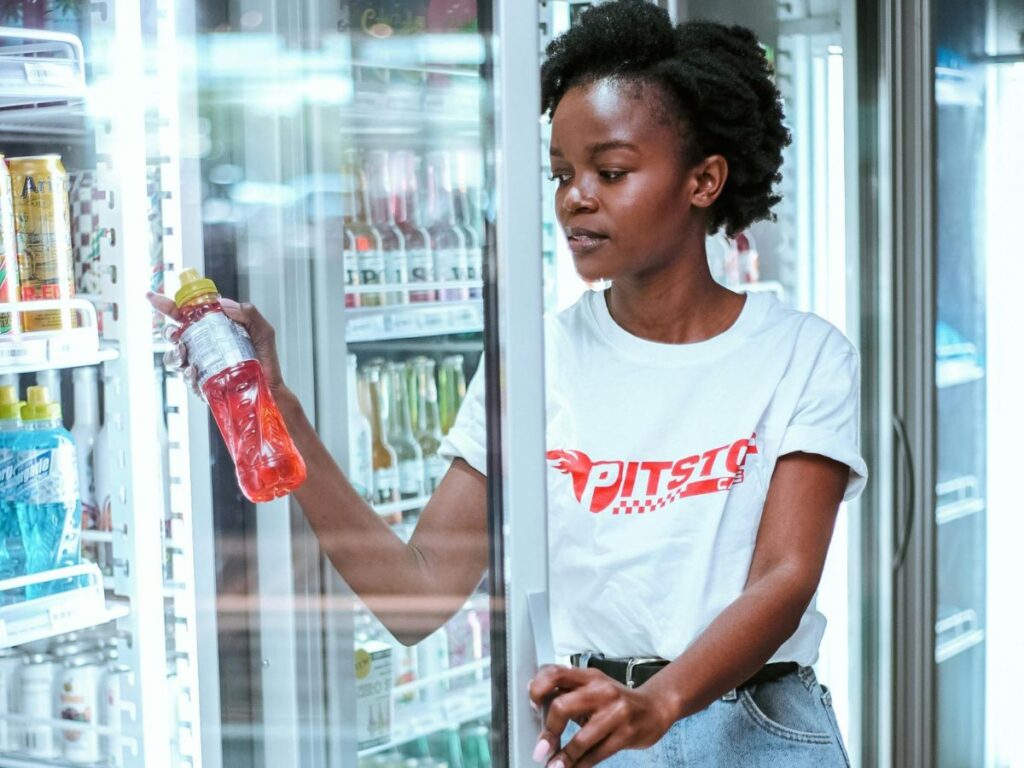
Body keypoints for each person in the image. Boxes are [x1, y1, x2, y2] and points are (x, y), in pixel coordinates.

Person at [150, 2, 867, 765]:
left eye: (610, 172)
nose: (575, 197)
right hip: (599, 731)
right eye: (561, 174)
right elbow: (418, 595)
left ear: (705, 180)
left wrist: (657, 703)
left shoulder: (801, 354)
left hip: (756, 726)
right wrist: (278, 410)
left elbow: (785, 577)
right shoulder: (536, 360)